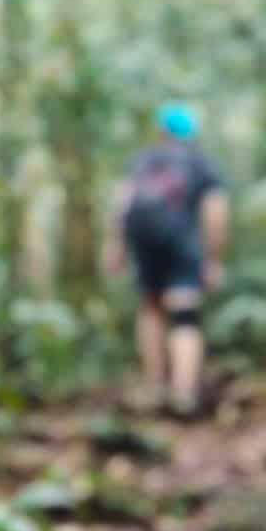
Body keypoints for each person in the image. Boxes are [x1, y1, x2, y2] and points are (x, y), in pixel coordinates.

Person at [105, 103, 229, 417]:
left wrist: (116, 247)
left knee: (150, 306)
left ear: (161, 131)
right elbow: (216, 212)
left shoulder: (144, 161)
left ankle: (155, 385)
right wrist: (213, 259)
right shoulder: (202, 164)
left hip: (143, 239)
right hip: (181, 240)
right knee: (184, 313)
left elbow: (121, 202)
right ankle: (182, 392)